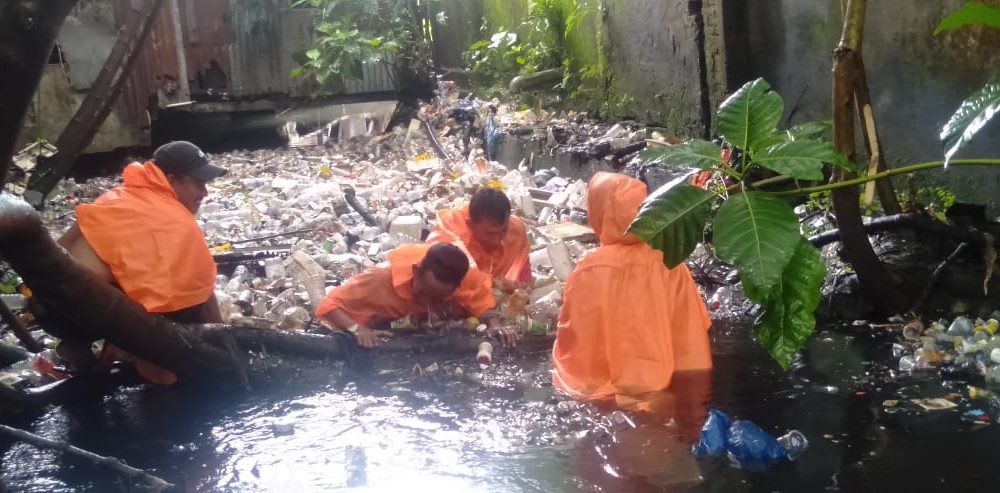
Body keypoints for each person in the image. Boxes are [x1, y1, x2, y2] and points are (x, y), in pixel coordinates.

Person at [56, 141, 227, 384]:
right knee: (168, 375)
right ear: (172, 180)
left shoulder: (119, 198)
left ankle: (90, 349)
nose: (205, 192)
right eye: (198, 182)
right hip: (74, 309)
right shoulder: (171, 220)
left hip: (50, 306)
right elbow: (187, 300)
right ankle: (124, 353)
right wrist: (222, 341)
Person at [551, 172, 712, 402]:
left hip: (603, 399)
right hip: (667, 392)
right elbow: (691, 333)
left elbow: (574, 342)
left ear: (599, 212)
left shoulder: (589, 268)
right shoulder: (670, 261)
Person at [315, 243, 518, 348]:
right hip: (378, 325)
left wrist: (497, 325)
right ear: (416, 271)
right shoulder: (379, 278)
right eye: (425, 293)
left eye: (437, 297)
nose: (427, 302)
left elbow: (487, 309)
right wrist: (357, 329)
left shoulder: (466, 280)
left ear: (456, 287)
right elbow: (327, 304)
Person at [427, 187, 531, 292]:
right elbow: (440, 283)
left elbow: (523, 266)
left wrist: (524, 291)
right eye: (490, 233)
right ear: (470, 224)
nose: (498, 240)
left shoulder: (516, 230)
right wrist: (493, 286)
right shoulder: (450, 239)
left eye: (503, 230)